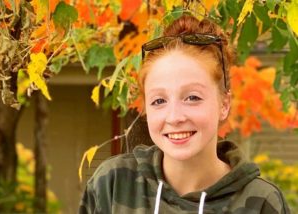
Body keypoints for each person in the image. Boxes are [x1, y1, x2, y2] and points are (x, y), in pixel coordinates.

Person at [79, 15, 290, 214]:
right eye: (159, 101)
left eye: (192, 98)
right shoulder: (112, 184)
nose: (174, 117)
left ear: (224, 103)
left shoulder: (262, 201)